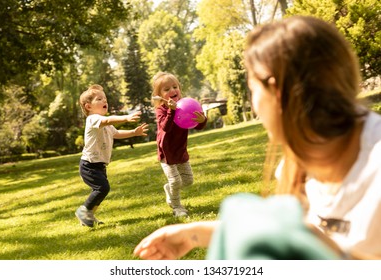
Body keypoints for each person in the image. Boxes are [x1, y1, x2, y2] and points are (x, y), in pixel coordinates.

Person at [134, 16, 381, 259]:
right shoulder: (296, 164)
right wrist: (194, 234)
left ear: (275, 89)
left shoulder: (375, 168)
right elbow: (292, 238)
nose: (254, 104)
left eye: (253, 89)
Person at [76, 84, 149, 227]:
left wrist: (133, 132)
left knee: (102, 189)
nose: (105, 101)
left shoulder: (105, 124)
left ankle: (89, 215)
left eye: (105, 99)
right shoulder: (93, 119)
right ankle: (83, 210)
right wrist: (126, 118)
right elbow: (108, 120)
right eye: (99, 99)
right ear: (88, 106)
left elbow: (116, 134)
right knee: (102, 188)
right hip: (89, 164)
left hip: (99, 165)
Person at [151, 72, 207, 217]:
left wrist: (202, 121)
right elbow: (165, 127)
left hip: (180, 150)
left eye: (175, 87)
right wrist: (171, 111)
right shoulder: (161, 110)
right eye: (166, 89)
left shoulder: (185, 105)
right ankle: (177, 207)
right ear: (160, 94)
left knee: (188, 180)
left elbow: (194, 124)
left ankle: (169, 188)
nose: (172, 91)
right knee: (175, 180)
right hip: (167, 152)